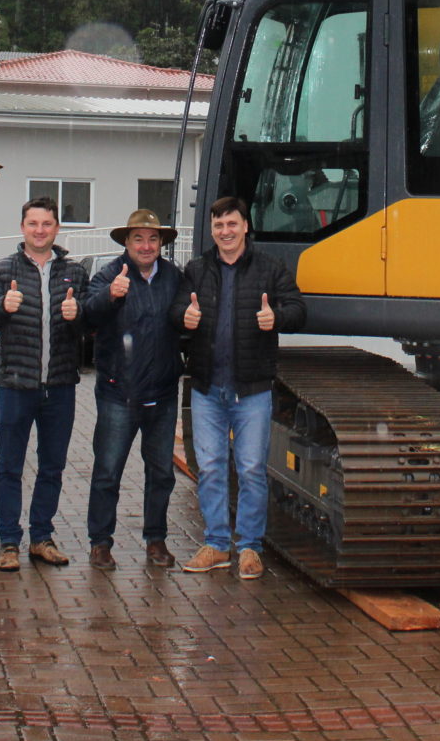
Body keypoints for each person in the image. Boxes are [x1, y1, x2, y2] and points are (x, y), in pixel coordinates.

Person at [172, 195, 304, 580]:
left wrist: (275, 317)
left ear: (245, 226)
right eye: (218, 226)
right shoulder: (196, 270)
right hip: (207, 386)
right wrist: (186, 316)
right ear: (211, 230)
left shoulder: (270, 268)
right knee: (211, 468)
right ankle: (216, 544)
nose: (225, 232)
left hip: (253, 389)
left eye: (232, 224)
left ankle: (249, 548)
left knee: (250, 469)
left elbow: (298, 309)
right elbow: (174, 312)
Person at [0, 196, 86, 572]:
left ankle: (42, 537)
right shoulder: (1, 270)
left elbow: (90, 327)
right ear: (22, 227)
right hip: (15, 385)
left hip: (59, 386)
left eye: (47, 224)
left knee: (52, 465)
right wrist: (3, 307)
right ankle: (9, 541)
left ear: (57, 228)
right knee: (10, 465)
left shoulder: (73, 272)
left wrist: (78, 314)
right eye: (33, 223)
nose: (40, 230)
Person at [80, 209, 186, 570]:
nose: (146, 245)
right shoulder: (110, 275)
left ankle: (156, 540)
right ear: (126, 242)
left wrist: (192, 320)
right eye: (138, 238)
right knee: (108, 471)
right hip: (118, 393)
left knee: (161, 473)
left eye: (153, 238)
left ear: (161, 244)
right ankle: (100, 542)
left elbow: (185, 320)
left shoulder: (174, 277)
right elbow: (86, 314)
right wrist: (110, 295)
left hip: (163, 393)